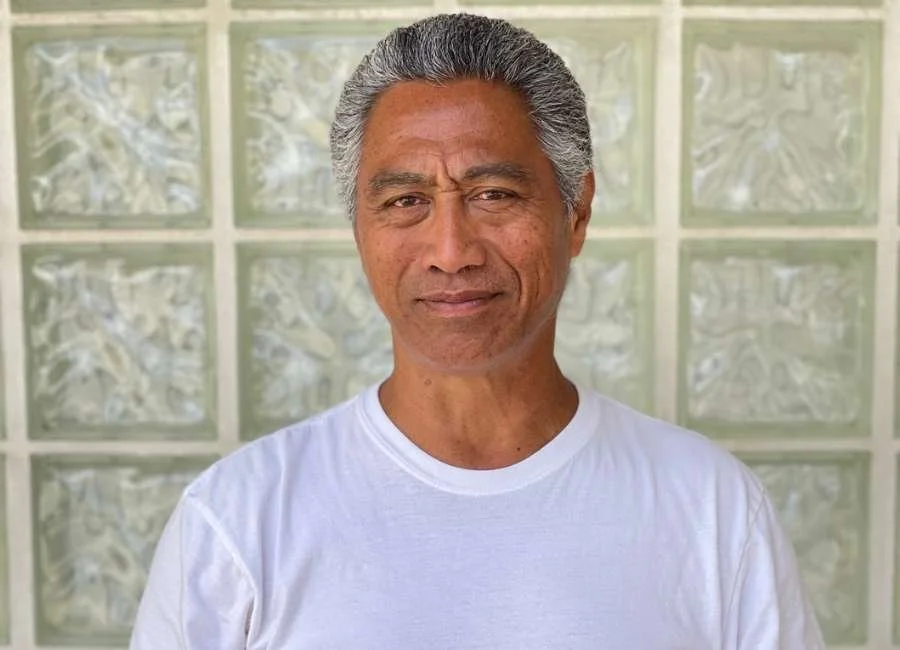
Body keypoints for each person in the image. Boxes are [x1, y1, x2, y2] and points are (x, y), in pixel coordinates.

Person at [130, 13, 825, 649]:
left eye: (494, 195)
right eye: (406, 200)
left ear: (577, 213)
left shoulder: (713, 511)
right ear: (359, 228)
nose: (451, 251)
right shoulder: (236, 523)